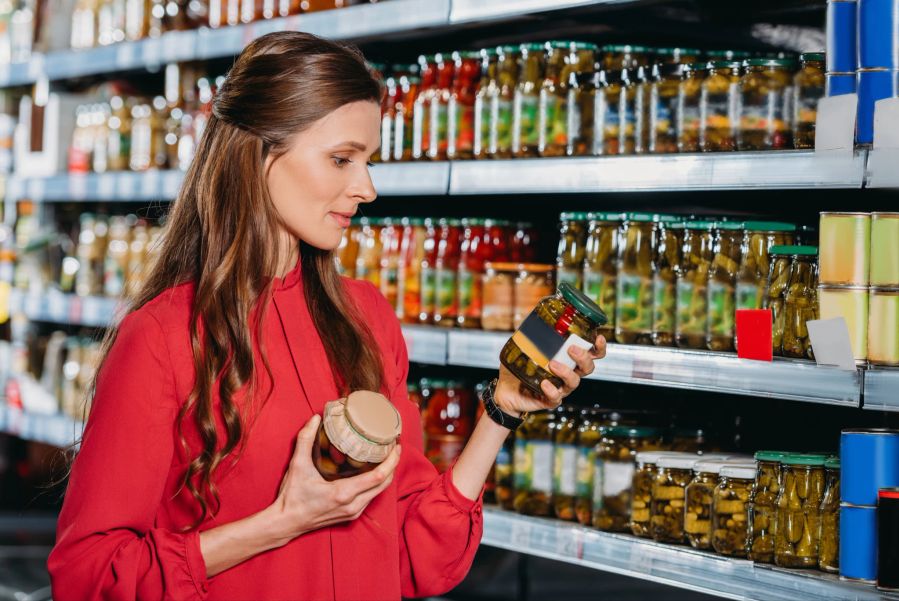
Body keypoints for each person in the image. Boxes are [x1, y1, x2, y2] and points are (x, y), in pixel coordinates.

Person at [47, 31, 606, 600]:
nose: (366, 188)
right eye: (342, 159)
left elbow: (417, 555)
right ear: (259, 153)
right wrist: (283, 520)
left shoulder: (366, 319)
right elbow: (88, 576)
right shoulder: (165, 337)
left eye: (367, 161)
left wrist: (502, 409)